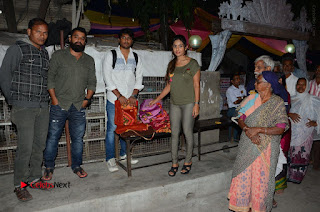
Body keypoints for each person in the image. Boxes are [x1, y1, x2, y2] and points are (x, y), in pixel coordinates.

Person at [0, 18, 50, 201]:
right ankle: (19, 185)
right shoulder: (17, 49)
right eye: (38, 32)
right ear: (29, 32)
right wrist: (14, 100)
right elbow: (4, 75)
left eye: (45, 32)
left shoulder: (45, 53)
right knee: (25, 147)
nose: (42, 36)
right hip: (24, 108)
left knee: (39, 146)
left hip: (42, 107)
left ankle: (35, 177)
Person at [228, 71, 288, 212]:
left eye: (258, 81)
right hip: (247, 144)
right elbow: (240, 118)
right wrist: (249, 131)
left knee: (260, 182)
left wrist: (259, 130)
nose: (254, 84)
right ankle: (245, 207)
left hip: (265, 149)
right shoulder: (251, 99)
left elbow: (281, 128)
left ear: (268, 85)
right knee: (244, 177)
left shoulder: (277, 103)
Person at [42, 27, 97, 180]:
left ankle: (77, 165)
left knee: (78, 139)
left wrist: (87, 99)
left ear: (85, 41)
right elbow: (50, 78)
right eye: (76, 37)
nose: (79, 40)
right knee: (53, 137)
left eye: (82, 38)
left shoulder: (89, 60)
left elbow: (92, 82)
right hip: (59, 104)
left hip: (79, 105)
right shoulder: (59, 56)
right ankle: (48, 167)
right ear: (70, 39)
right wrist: (54, 99)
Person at [150, 35, 200, 177]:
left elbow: (196, 85)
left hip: (189, 102)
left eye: (180, 46)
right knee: (174, 133)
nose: (177, 49)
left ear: (186, 48)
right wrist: (157, 99)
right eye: (175, 46)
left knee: (187, 131)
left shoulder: (193, 64)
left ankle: (188, 161)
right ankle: (174, 162)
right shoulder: (172, 65)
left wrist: (197, 104)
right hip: (174, 103)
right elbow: (169, 86)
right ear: (172, 49)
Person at [102, 28, 143, 172]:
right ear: (119, 39)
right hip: (115, 99)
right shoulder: (111, 55)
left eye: (129, 38)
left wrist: (133, 95)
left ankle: (125, 155)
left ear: (132, 41)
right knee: (113, 128)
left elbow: (139, 78)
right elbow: (107, 77)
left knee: (128, 127)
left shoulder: (136, 57)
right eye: (123, 38)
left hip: (130, 100)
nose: (126, 40)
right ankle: (110, 159)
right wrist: (119, 96)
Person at [287, 78, 320, 183]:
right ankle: (290, 175)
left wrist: (316, 123)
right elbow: (282, 111)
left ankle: (297, 177)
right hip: (292, 132)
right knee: (292, 153)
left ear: (308, 87)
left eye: (303, 85)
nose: (300, 87)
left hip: (305, 133)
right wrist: (289, 114)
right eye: (298, 84)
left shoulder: (313, 99)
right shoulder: (291, 99)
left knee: (302, 154)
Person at [226, 73, 246, 142]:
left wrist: (241, 98)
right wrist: (242, 98)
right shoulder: (230, 90)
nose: (238, 80)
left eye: (239, 79)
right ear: (232, 81)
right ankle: (232, 138)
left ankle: (240, 137)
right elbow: (235, 102)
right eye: (236, 79)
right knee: (237, 118)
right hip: (233, 109)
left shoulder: (242, 87)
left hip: (242, 107)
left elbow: (246, 98)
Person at [309, 65, 320, 170]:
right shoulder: (310, 84)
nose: (318, 71)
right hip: (309, 115)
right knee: (309, 139)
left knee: (318, 142)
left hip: (319, 117)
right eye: (317, 69)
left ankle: (316, 164)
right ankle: (309, 160)